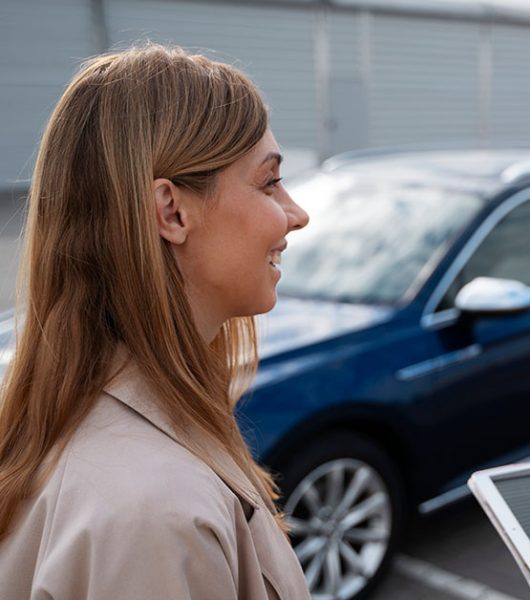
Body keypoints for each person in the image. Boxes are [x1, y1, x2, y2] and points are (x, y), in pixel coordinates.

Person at [0, 45, 311, 598]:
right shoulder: (155, 516)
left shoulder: (80, 410)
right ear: (171, 211)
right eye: (268, 182)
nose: (295, 213)